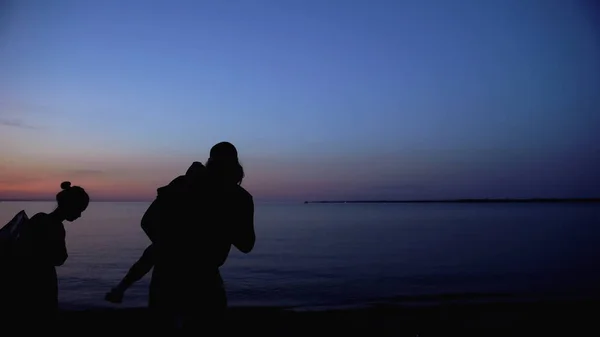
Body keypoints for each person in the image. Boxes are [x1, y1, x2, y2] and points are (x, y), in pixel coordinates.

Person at [150, 142, 256, 331]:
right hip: (202, 279)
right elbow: (246, 244)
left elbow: (147, 222)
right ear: (236, 167)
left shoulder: (183, 185)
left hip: (170, 275)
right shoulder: (240, 198)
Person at [7, 181, 89, 327]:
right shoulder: (56, 227)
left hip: (25, 279)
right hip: (40, 280)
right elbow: (59, 258)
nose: (79, 215)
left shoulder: (39, 218)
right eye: (79, 210)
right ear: (71, 206)